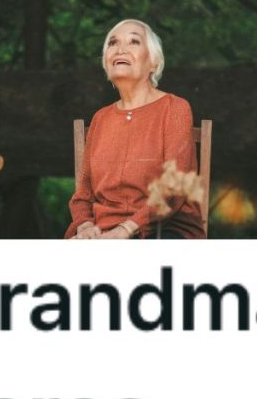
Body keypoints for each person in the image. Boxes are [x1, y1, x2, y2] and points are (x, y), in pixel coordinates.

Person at [65, 19, 206, 239]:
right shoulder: (100, 119)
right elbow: (83, 195)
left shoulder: (175, 108)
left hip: (163, 230)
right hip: (103, 233)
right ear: (106, 61)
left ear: (154, 62)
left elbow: (173, 189)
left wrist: (126, 229)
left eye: (133, 42)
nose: (120, 49)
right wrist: (84, 227)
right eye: (113, 43)